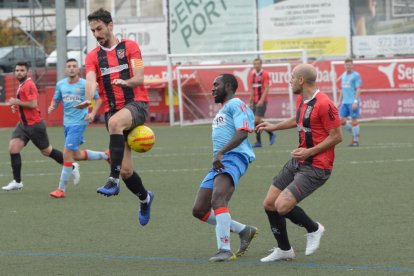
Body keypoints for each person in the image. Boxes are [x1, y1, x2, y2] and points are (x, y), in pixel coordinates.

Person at [256, 64, 342, 262]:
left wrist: (309, 151)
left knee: (282, 206)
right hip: (298, 161)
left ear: (301, 80)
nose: (290, 80)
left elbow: (336, 136)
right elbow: (299, 120)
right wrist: (274, 126)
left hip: (317, 166)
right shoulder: (301, 99)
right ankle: (284, 249)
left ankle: (314, 229)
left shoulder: (325, 103)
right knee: (269, 203)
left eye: (292, 77)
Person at [75, 8, 154, 226]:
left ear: (111, 26)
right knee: (128, 171)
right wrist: (89, 98)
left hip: (137, 105)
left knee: (114, 122)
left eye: (99, 28)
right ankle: (145, 198)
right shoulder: (92, 57)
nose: (96, 34)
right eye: (93, 31)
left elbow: (139, 77)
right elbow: (91, 80)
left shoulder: (130, 47)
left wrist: (126, 82)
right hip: (113, 112)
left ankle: (112, 179)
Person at [192, 74, 258, 262]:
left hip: (234, 157)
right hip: (220, 160)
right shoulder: (223, 110)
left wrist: (221, 152)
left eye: (216, 84)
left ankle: (225, 249)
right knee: (199, 209)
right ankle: (244, 230)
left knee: (218, 199)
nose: (212, 88)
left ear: (228, 86)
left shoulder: (236, 104)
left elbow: (243, 132)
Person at [2, 61, 79, 191]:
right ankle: (17, 181)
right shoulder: (21, 85)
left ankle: (72, 166)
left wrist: (17, 102)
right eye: (17, 70)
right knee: (13, 148)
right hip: (23, 125)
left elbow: (33, 104)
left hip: (35, 126)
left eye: (22, 70)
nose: (19, 72)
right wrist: (17, 106)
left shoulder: (29, 85)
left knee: (46, 151)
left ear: (27, 72)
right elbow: (24, 103)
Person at [48, 58, 109, 198]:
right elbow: (56, 99)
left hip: (79, 122)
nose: (71, 68)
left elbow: (98, 99)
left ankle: (61, 190)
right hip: (67, 123)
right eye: (69, 66)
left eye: (74, 66)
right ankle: (106, 155)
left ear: (78, 69)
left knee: (67, 155)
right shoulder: (60, 84)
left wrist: (92, 113)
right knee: (76, 155)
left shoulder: (85, 84)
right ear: (65, 69)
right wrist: (52, 105)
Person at [249, 58, 276, 148]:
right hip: (255, 101)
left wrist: (261, 100)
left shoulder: (265, 74)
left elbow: (267, 88)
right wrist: (251, 101)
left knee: (256, 120)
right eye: (255, 64)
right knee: (255, 122)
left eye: (258, 64)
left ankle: (271, 133)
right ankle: (259, 141)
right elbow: (252, 89)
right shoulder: (252, 75)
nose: (256, 65)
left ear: (261, 64)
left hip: (262, 101)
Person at [337, 58, 362, 147]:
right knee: (341, 120)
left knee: (354, 119)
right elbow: (342, 90)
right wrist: (339, 101)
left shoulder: (356, 75)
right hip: (345, 102)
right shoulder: (343, 76)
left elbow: (358, 89)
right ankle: (353, 131)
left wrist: (355, 101)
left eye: (350, 64)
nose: (348, 66)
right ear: (344, 66)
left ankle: (355, 140)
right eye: (346, 65)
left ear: (352, 65)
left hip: (352, 102)